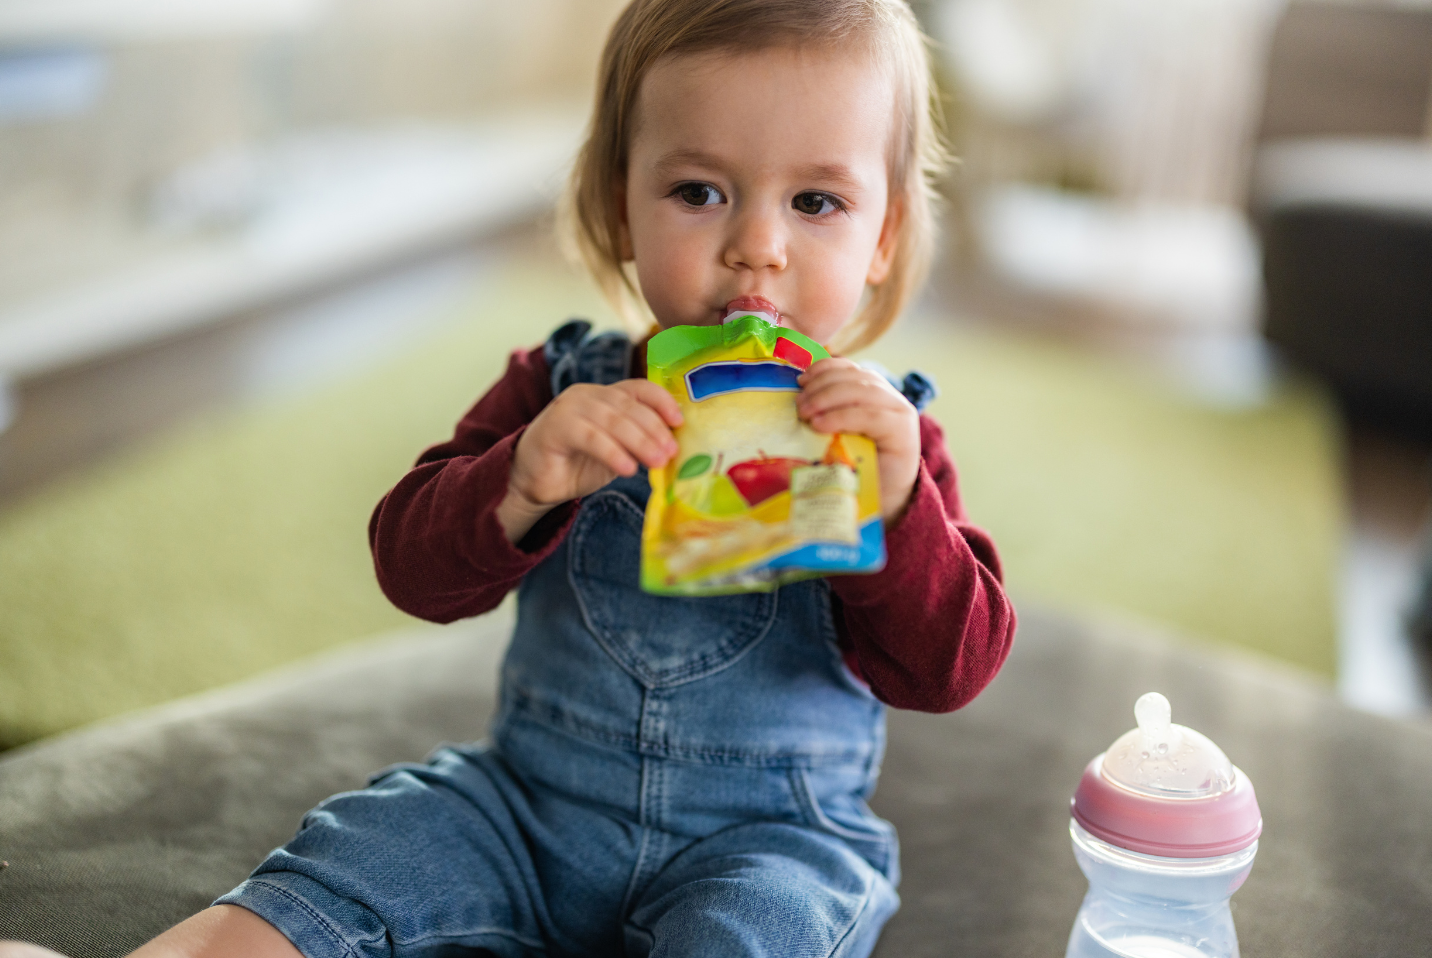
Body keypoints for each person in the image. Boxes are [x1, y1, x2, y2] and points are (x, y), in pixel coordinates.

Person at [0, 1, 1014, 956]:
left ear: (881, 239)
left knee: (764, 923)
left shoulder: (885, 442)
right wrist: (522, 480)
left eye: (817, 201)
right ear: (620, 206)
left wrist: (894, 511)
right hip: (524, 808)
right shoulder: (557, 391)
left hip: (767, 837)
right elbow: (409, 568)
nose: (757, 246)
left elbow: (948, 668)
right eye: (698, 191)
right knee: (349, 857)